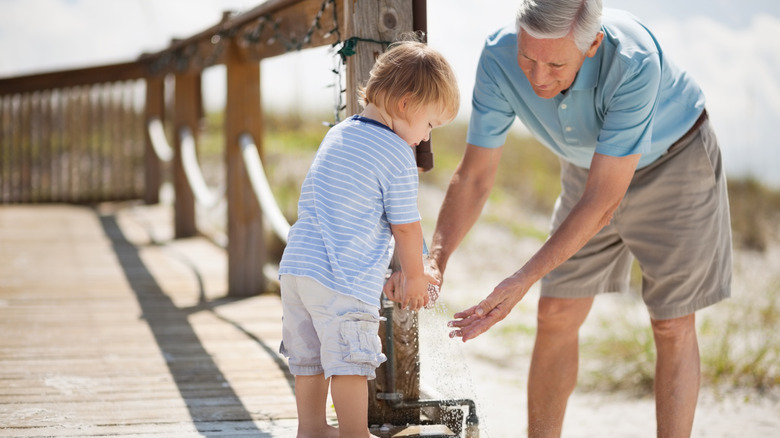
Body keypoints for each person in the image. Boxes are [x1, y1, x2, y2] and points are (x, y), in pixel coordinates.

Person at [430, 0, 731, 437]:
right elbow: (475, 177)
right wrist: (436, 260)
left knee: (671, 322)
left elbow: (603, 200)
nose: (537, 77)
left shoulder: (634, 61)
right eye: (528, 57)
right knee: (554, 311)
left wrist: (520, 279)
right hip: (589, 167)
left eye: (555, 63)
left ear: (592, 45)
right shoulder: (497, 55)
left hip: (675, 161)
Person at [277, 39, 459, 438]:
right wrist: (414, 276)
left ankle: (311, 429)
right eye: (429, 125)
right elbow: (406, 226)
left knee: (309, 361)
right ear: (406, 104)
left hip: (297, 268)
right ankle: (354, 433)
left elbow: (344, 213)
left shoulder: (339, 134)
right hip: (341, 283)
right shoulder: (395, 152)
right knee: (349, 363)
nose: (425, 138)